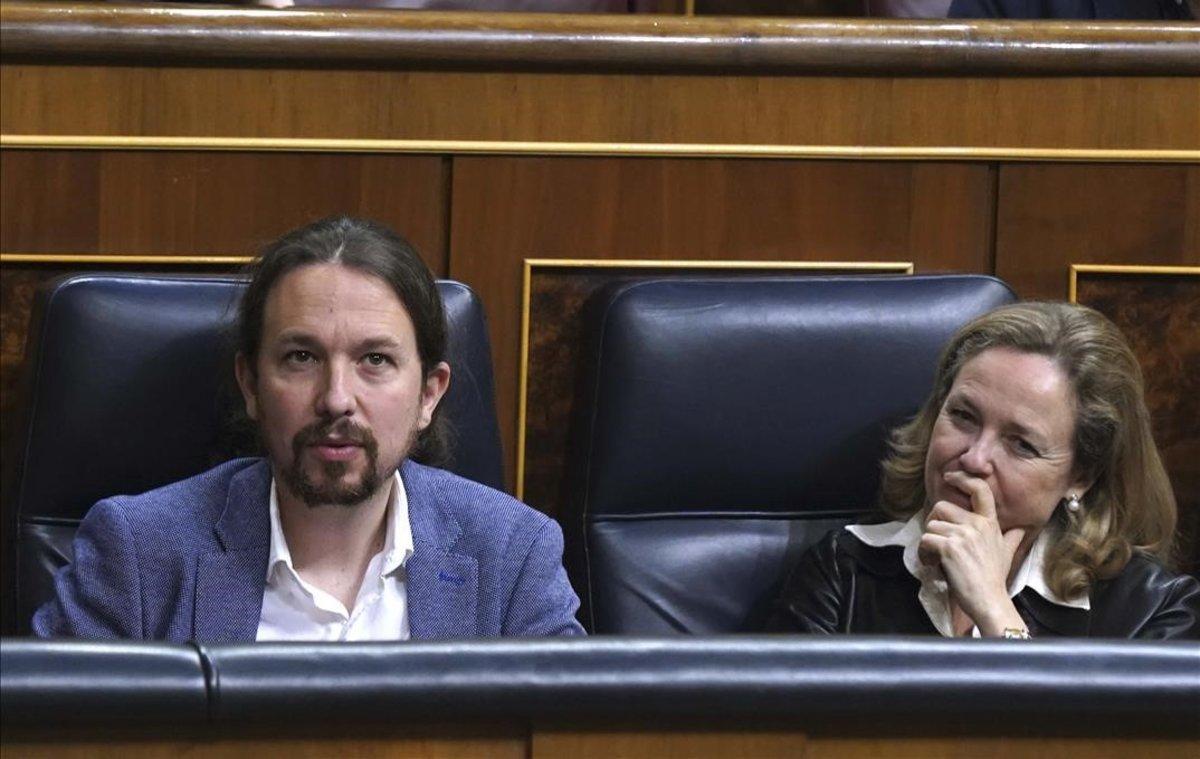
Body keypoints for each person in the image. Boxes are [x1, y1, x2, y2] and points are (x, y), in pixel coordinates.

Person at [33, 216, 584, 642]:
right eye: (301, 357)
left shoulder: (512, 556)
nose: (336, 398)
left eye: (375, 360)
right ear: (251, 384)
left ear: (429, 395)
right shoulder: (137, 553)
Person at [770, 302, 1199, 638]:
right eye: (963, 416)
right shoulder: (844, 571)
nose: (974, 458)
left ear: (1081, 476)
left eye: (1021, 444)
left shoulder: (1152, 611)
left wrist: (995, 611)